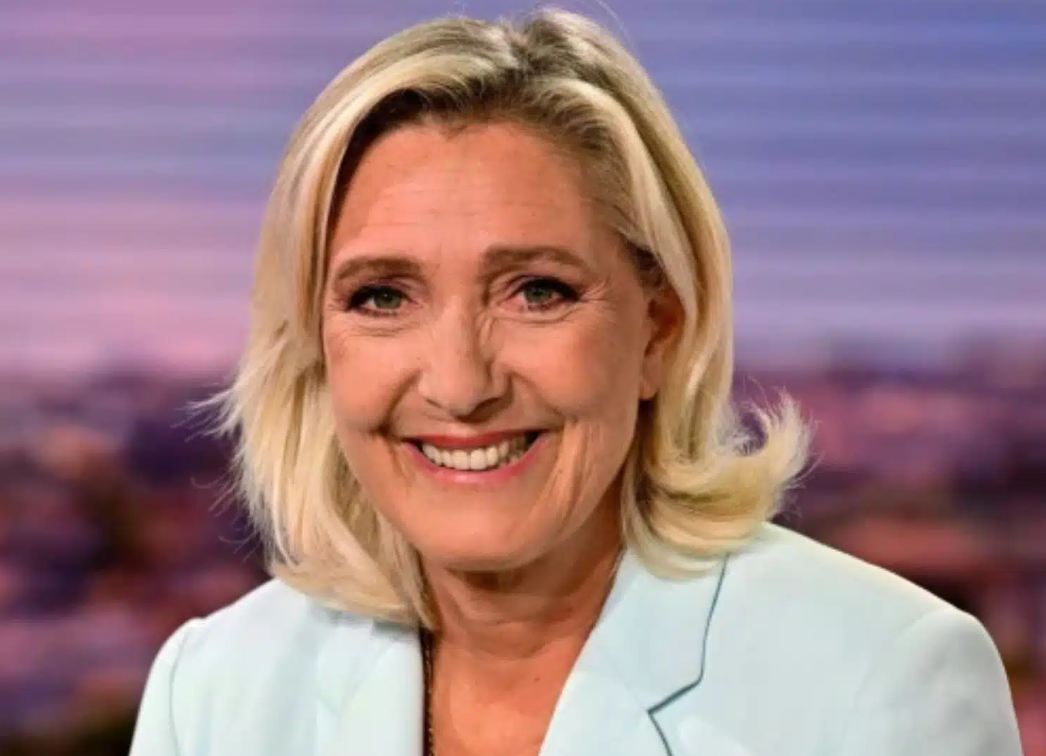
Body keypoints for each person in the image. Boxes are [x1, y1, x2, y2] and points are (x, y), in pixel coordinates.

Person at [128, 7, 1023, 756]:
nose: (460, 384)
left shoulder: (881, 684)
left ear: (660, 330)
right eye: (383, 297)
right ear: (316, 347)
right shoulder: (214, 693)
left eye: (537, 291)